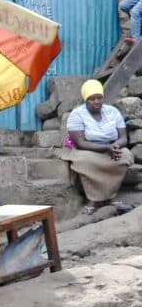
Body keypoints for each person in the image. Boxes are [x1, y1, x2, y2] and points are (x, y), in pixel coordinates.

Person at [60, 80, 134, 215]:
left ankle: (110, 197)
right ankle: (93, 200)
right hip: (87, 149)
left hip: (111, 147)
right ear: (85, 100)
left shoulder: (113, 112)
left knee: (126, 155)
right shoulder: (77, 115)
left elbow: (123, 137)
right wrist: (106, 149)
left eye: (99, 98)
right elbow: (81, 143)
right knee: (84, 162)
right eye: (91, 99)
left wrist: (115, 146)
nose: (96, 101)